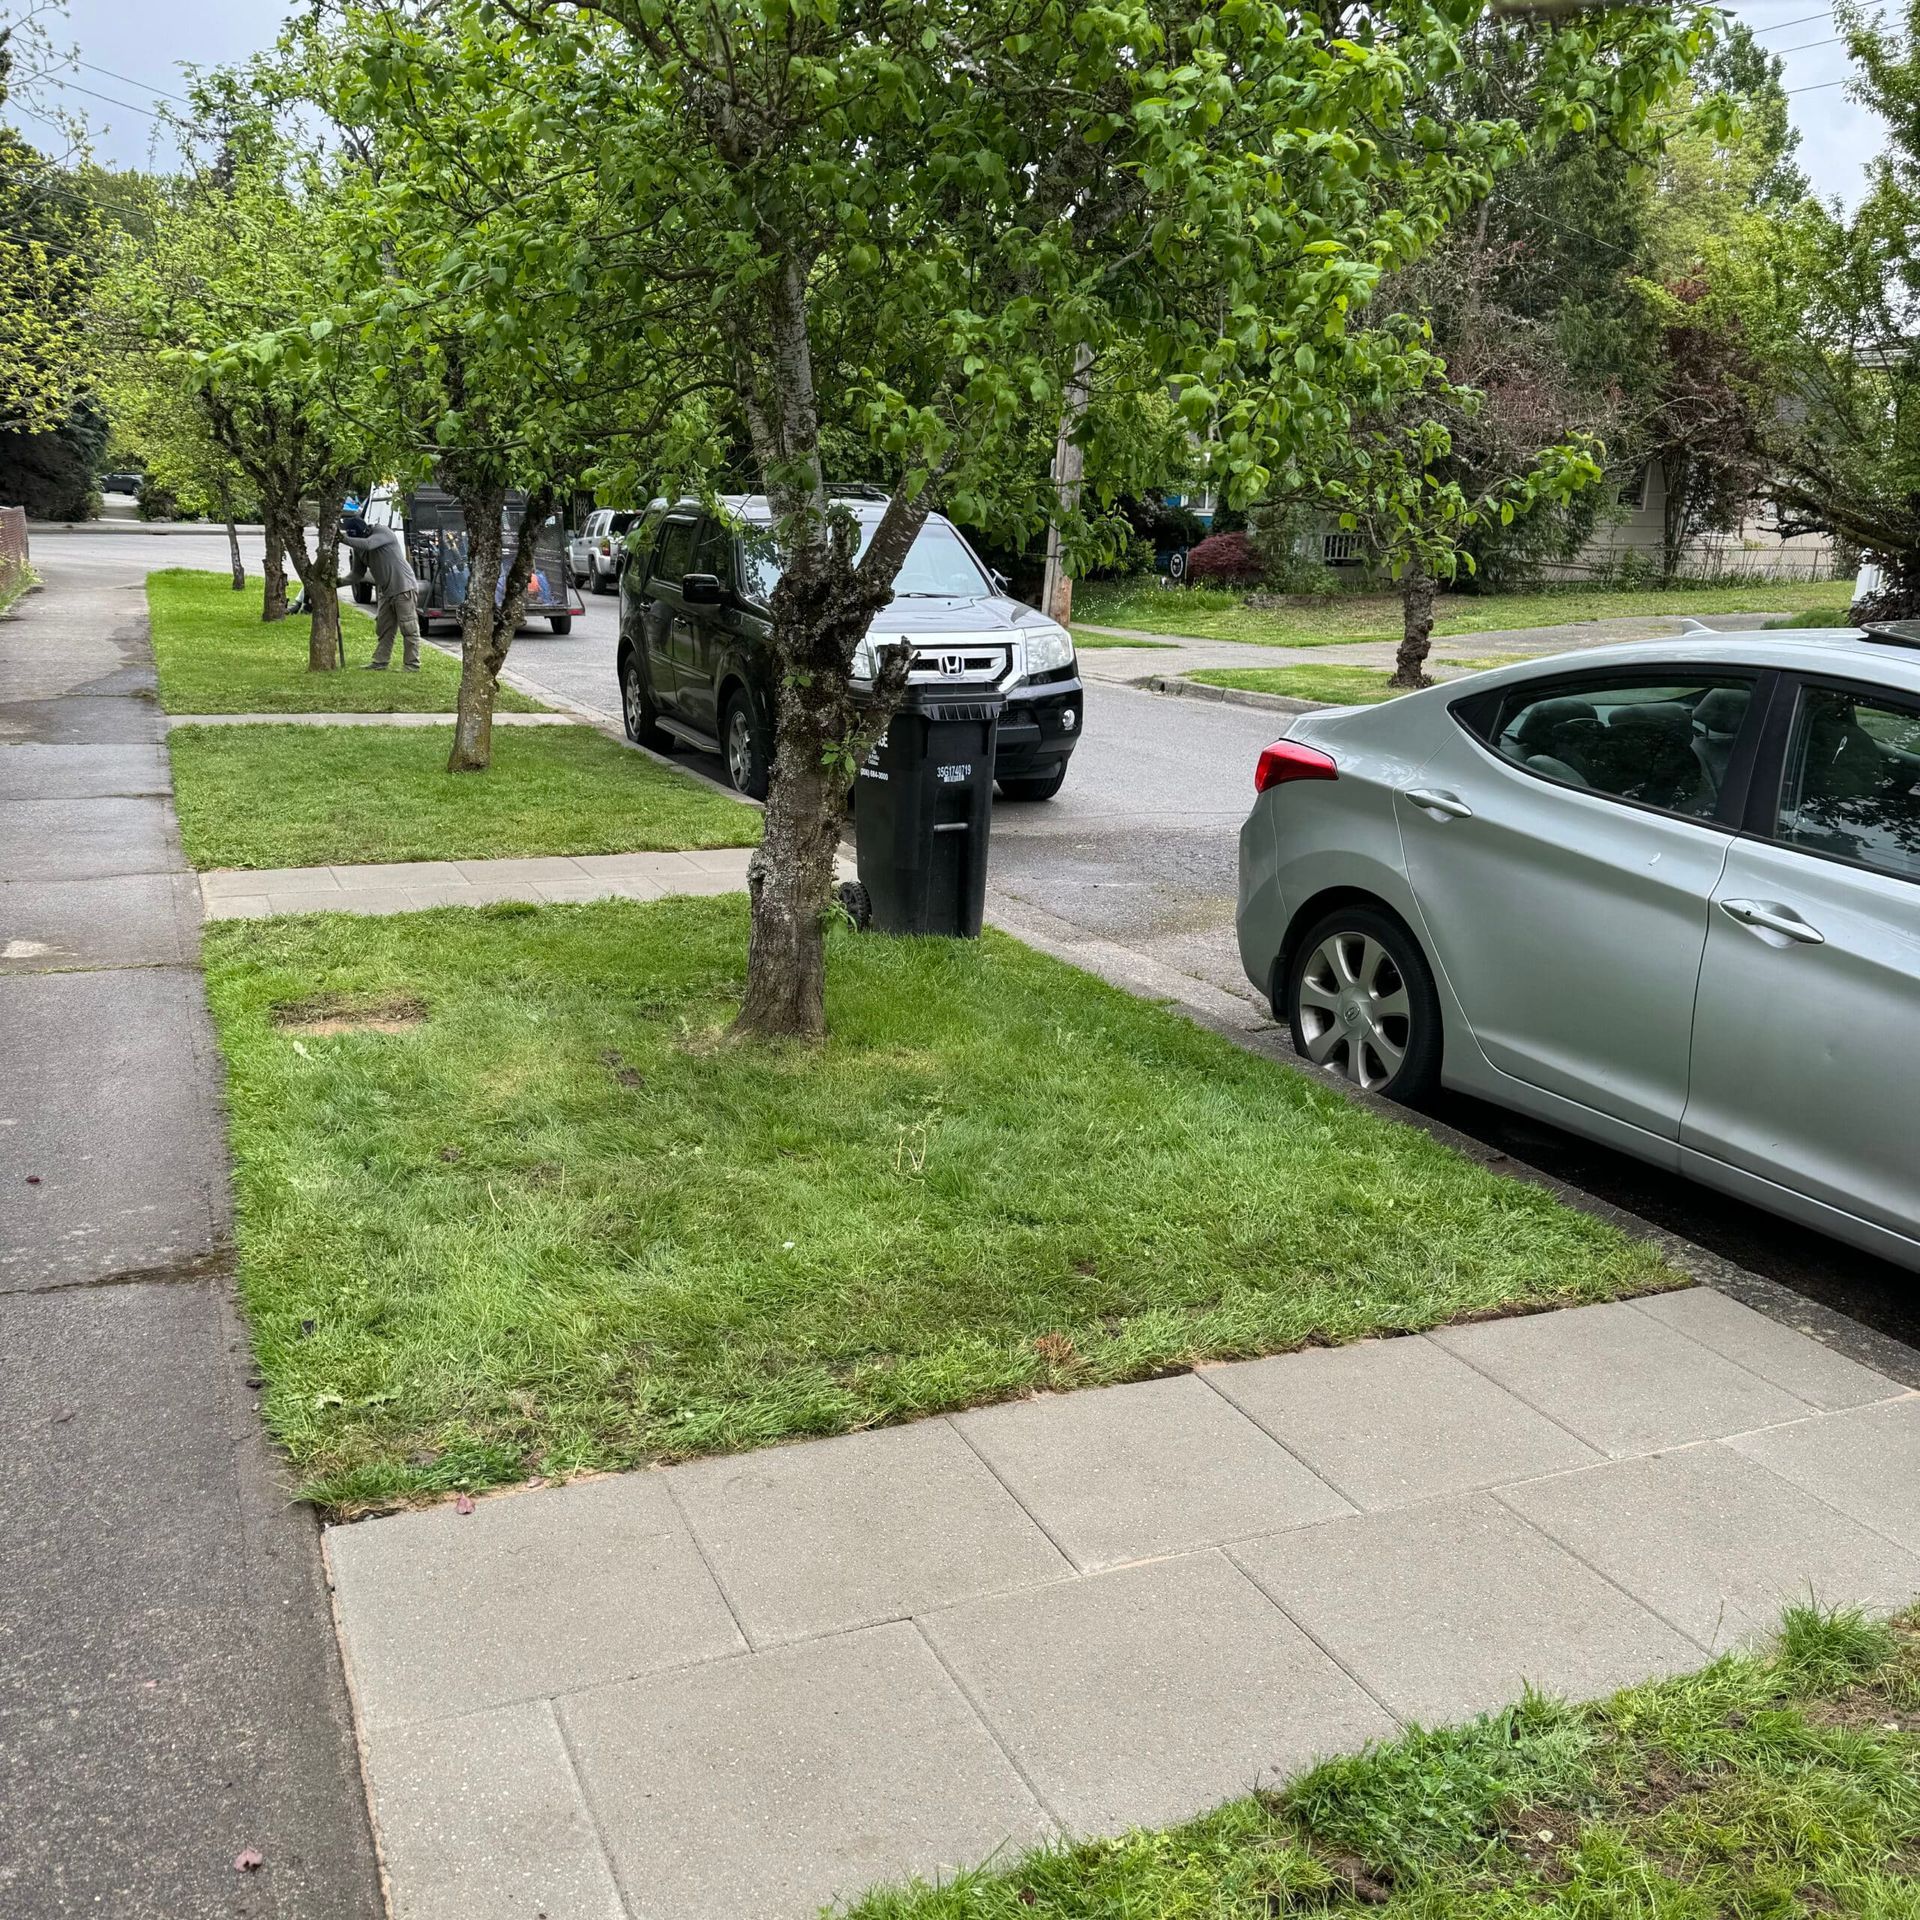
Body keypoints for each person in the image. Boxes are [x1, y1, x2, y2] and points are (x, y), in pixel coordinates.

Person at [339, 513, 422, 671]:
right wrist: (336, 583)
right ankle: (380, 662)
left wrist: (342, 539)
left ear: (363, 531)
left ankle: (412, 664)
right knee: (384, 627)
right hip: (385, 591)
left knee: (408, 627)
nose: (353, 540)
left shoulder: (382, 532)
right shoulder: (359, 547)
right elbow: (357, 574)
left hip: (403, 587)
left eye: (354, 537)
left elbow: (369, 544)